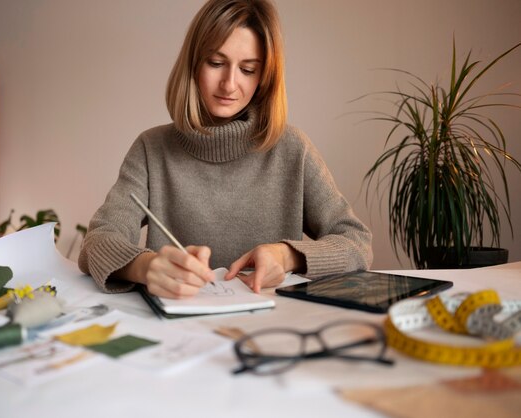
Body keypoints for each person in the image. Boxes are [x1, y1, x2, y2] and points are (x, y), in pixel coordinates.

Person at [78, 0, 372, 299]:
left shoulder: (292, 148)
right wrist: (147, 267)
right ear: (193, 64)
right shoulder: (151, 149)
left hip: (272, 327)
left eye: (247, 69)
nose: (229, 84)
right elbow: (97, 242)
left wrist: (287, 256)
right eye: (216, 63)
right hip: (178, 329)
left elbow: (356, 242)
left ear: (264, 79)